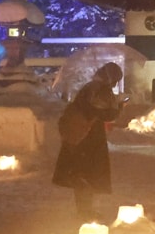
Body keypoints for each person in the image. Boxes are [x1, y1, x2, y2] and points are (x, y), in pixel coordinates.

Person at [52, 62, 124, 220]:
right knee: (87, 174)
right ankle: (85, 210)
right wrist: (119, 107)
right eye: (115, 79)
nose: (115, 84)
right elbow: (104, 114)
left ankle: (84, 209)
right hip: (89, 136)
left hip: (79, 135)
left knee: (81, 175)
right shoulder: (99, 90)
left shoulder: (90, 87)